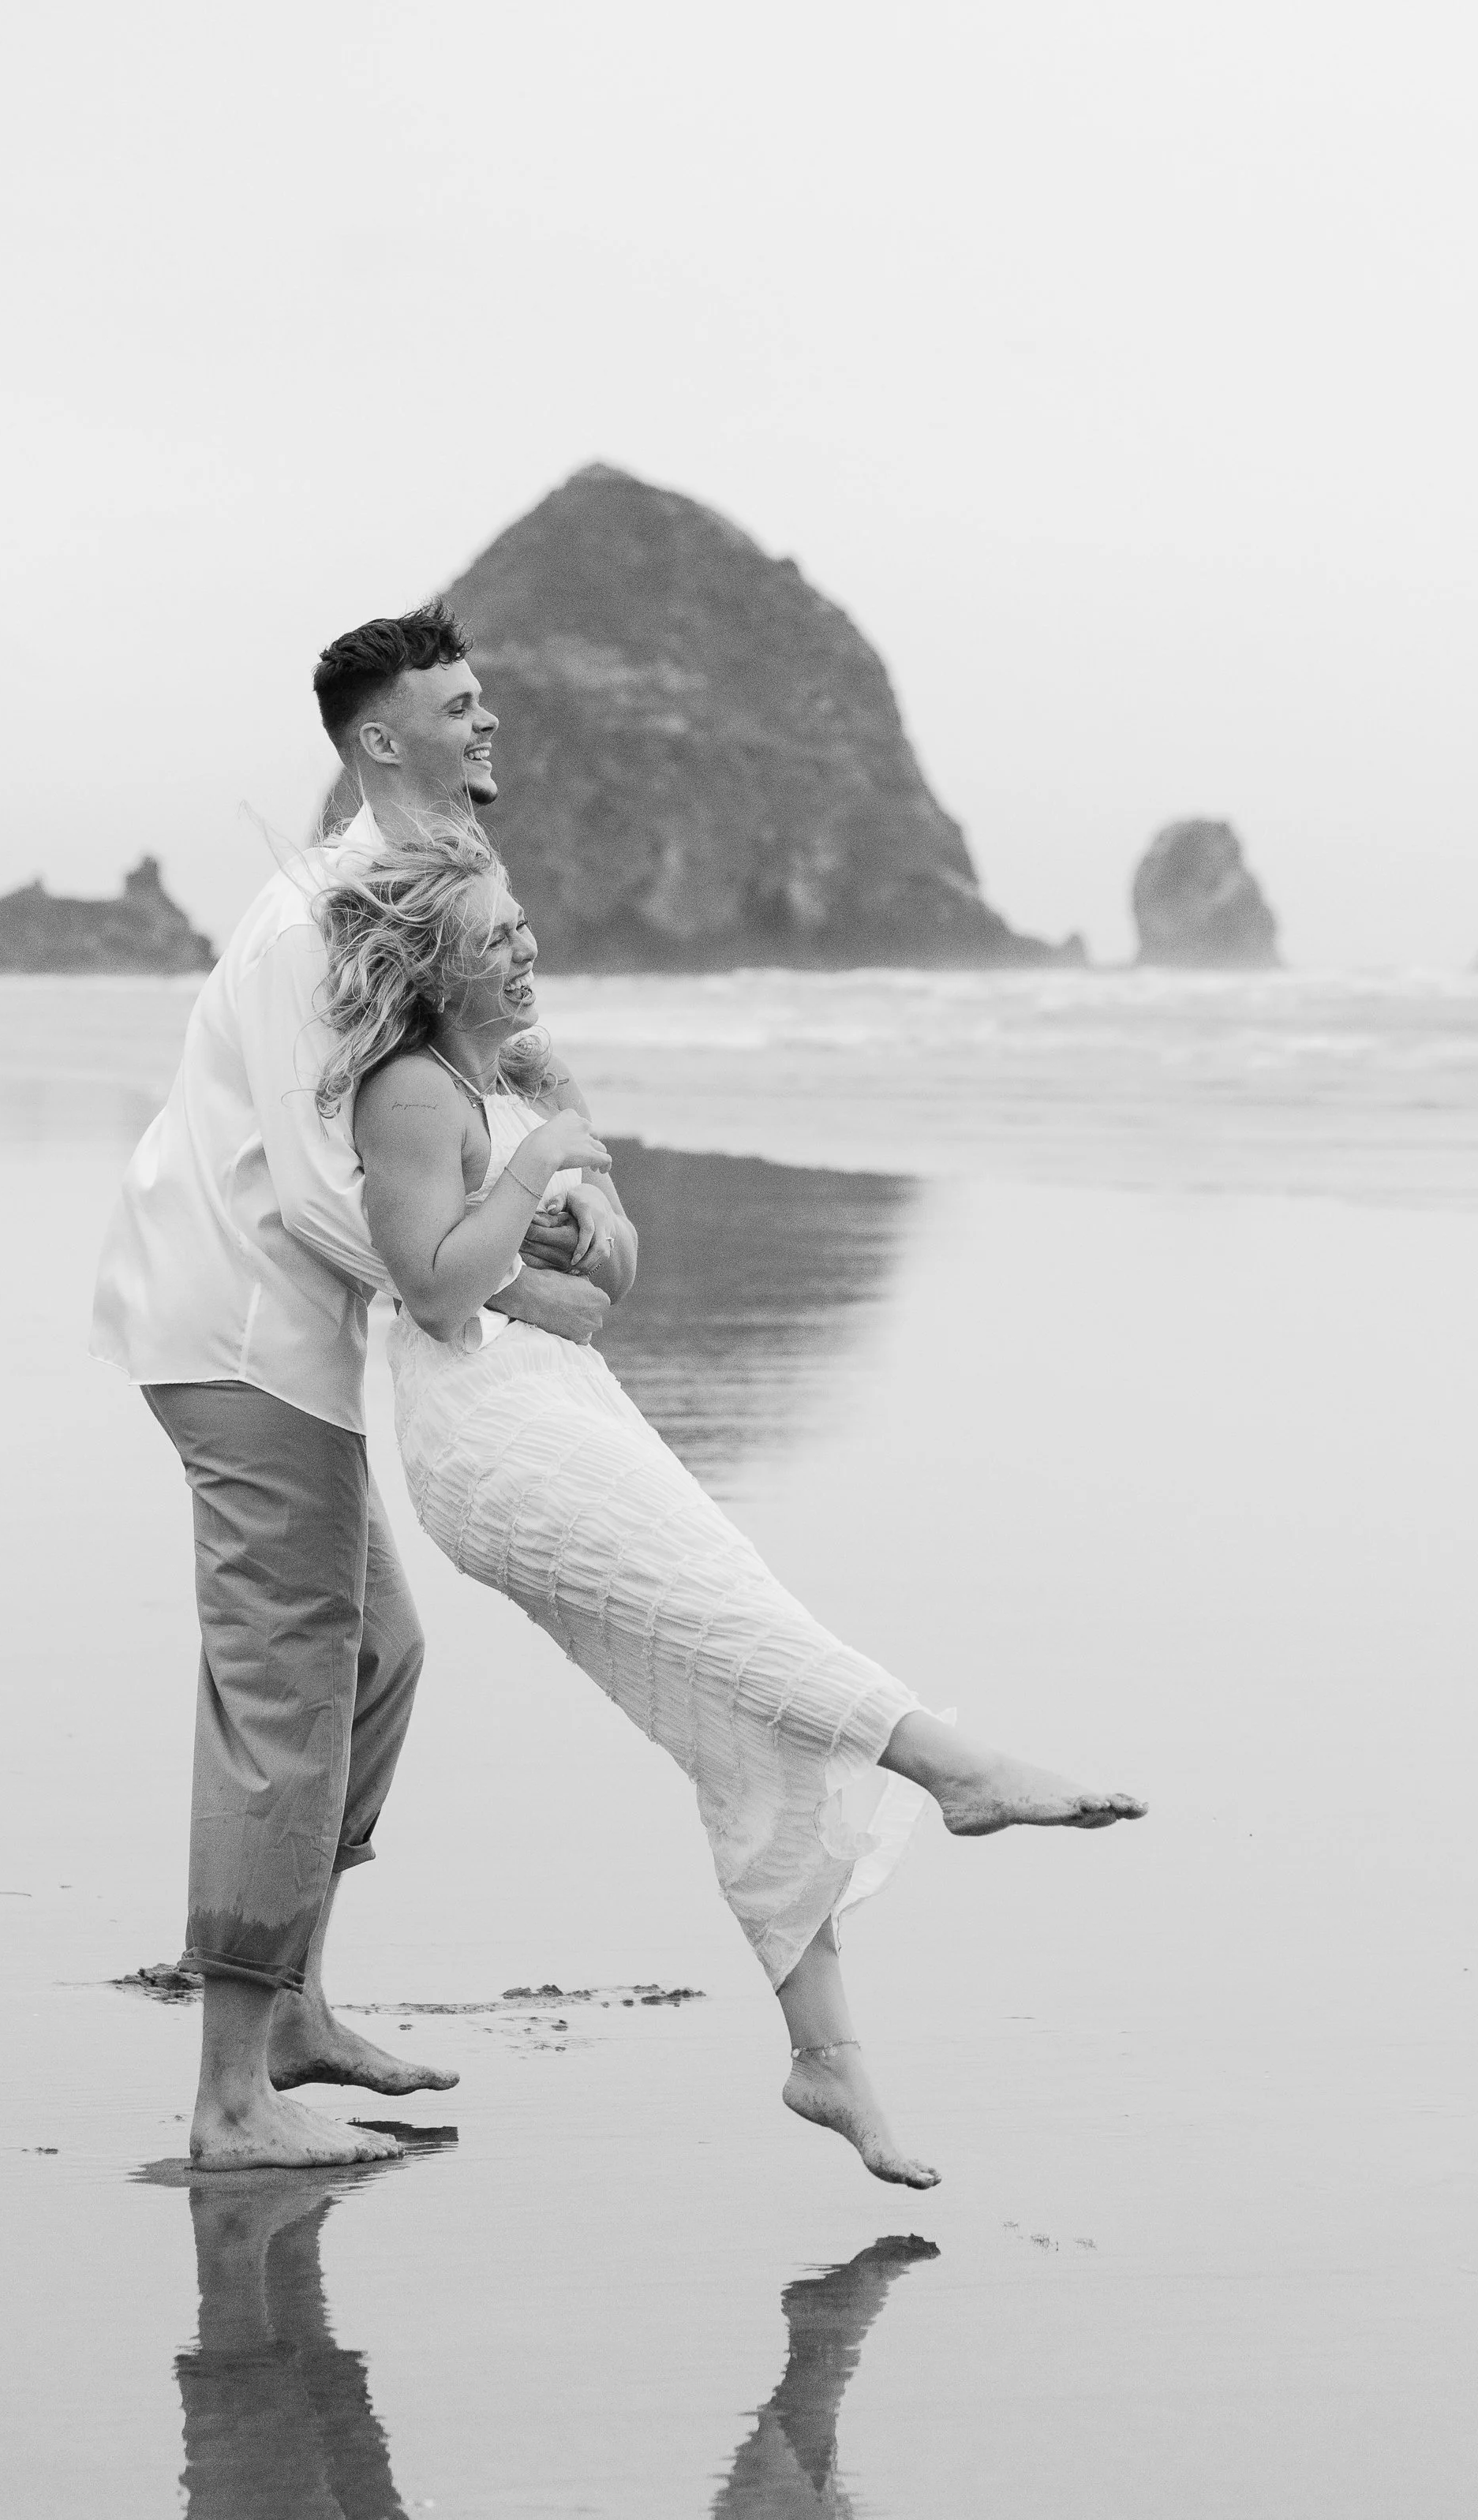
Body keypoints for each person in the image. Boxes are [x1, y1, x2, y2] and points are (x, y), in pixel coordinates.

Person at [329, 814, 1147, 2189]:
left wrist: (587, 1225)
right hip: (486, 1436)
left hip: (573, 1400)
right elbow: (431, 1290)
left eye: (521, 923)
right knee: (740, 1626)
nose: (525, 949)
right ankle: (951, 1764)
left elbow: (608, 1282)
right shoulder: (411, 1094)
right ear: (430, 966)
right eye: (492, 938)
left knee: (736, 1691)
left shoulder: (526, 1068)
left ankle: (827, 2057)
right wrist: (530, 1181)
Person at [92, 602, 601, 2172]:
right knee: (290, 1688)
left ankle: (294, 2003)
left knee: (376, 1656)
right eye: (458, 705)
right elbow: (326, 1185)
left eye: (484, 697)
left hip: (272, 1333)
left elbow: (409, 1135)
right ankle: (230, 2098)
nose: (487, 721)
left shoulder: (402, 890)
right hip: (243, 1331)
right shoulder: (315, 921)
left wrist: (515, 1206)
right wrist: (494, 1276)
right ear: (381, 739)